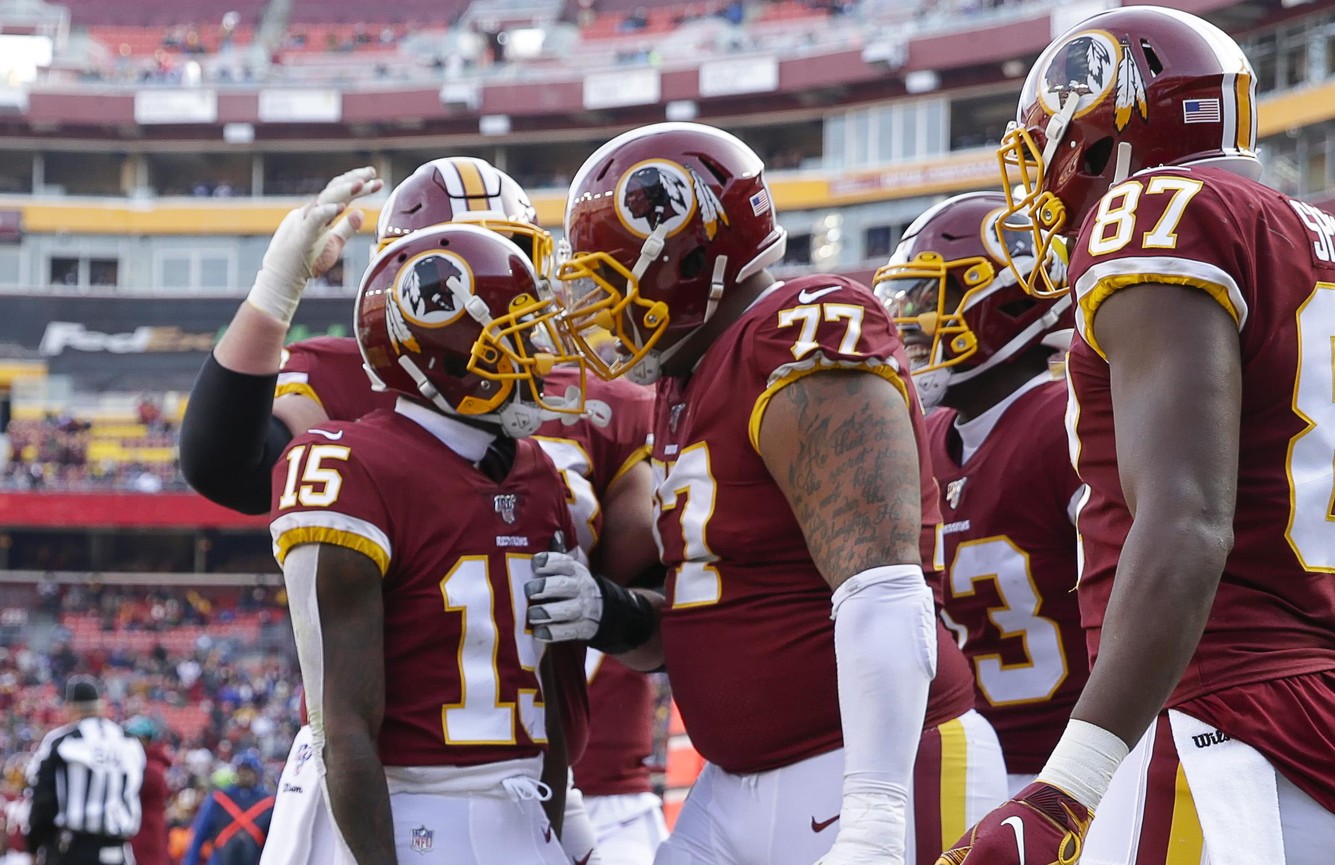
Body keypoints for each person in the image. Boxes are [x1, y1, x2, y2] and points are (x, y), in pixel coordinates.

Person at [942, 6, 1335, 864]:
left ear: (1108, 139)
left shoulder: (1156, 215)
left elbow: (1187, 520)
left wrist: (1065, 788)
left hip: (1212, 735)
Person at [530, 121, 1005, 865]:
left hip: (861, 768)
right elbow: (716, 610)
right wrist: (606, 613)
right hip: (735, 788)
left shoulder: (798, 331)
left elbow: (882, 583)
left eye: (612, 281)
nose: (603, 312)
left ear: (687, 256)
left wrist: (876, 822)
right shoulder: (689, 378)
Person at [176, 158, 660, 864]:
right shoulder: (350, 385)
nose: (498, 295)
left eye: (514, 261)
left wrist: (606, 608)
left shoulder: (595, 399)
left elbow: (671, 609)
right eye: (455, 279)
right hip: (398, 779)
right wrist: (275, 292)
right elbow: (229, 466)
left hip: (563, 771)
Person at [269, 223, 590, 865]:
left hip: (523, 803)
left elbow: (555, 700)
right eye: (515, 335)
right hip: (409, 809)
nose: (538, 353)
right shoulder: (352, 464)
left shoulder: (537, 471)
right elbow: (344, 727)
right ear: (444, 353)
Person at [872, 191, 1085, 793]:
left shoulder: (1066, 422)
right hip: (967, 765)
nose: (910, 326)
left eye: (931, 300)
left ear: (1011, 302)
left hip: (1076, 770)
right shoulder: (925, 436)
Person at [24, 676, 146, 865]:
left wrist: (34, 845)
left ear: (70, 707)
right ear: (100, 705)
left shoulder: (62, 741)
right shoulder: (130, 743)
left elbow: (42, 798)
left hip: (72, 850)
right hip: (119, 851)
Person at [182, 753, 274, 865]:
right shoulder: (219, 799)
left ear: (257, 774)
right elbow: (199, 834)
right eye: (242, 770)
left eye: (249, 771)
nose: (245, 775)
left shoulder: (269, 802)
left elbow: (275, 839)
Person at [127, 716, 172, 865]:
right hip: (141, 831)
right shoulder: (146, 764)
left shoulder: (151, 770)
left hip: (146, 833)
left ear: (146, 740)